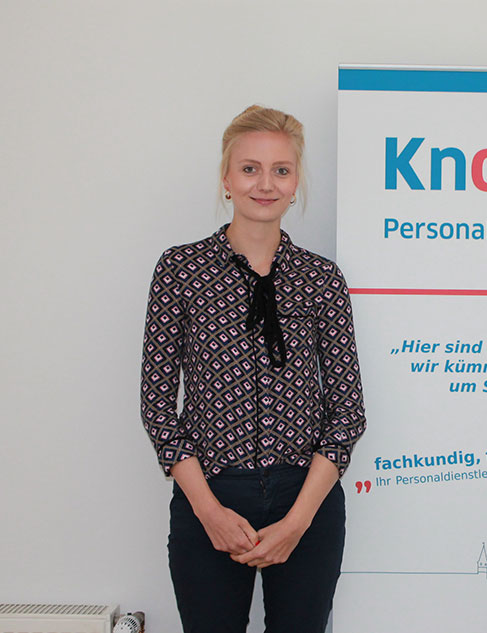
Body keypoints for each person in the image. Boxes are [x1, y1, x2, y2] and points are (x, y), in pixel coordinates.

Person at [140, 105, 366, 633]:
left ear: (295, 182)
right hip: (210, 494)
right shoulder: (180, 270)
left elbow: (347, 412)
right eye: (249, 169)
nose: (265, 184)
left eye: (281, 170)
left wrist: (297, 523)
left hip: (305, 498)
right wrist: (210, 513)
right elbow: (157, 406)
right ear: (226, 178)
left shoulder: (321, 279)